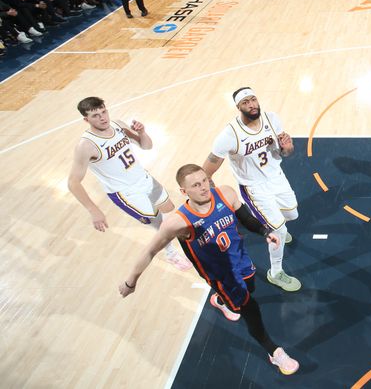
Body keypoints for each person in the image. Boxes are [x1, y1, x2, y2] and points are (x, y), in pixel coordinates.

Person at [118, 164, 299, 376]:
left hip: (240, 258)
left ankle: (220, 301)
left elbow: (245, 218)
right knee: (250, 308)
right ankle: (274, 351)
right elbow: (149, 251)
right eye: (196, 185)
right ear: (184, 192)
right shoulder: (178, 222)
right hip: (221, 276)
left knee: (251, 285)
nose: (204, 187)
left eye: (204, 180)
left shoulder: (225, 193)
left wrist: (264, 231)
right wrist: (131, 281)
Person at [67, 96, 191, 270]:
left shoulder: (118, 125)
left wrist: (142, 133)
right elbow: (73, 182)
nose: (102, 117)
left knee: (170, 211)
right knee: (159, 224)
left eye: (104, 112)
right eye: (95, 115)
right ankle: (171, 254)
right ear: (86, 120)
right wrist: (93, 210)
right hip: (126, 193)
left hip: (144, 179)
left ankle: (184, 239)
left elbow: (146, 146)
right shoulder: (86, 146)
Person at [202, 88, 301, 293]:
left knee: (292, 213)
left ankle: (274, 223)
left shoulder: (272, 119)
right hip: (254, 187)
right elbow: (213, 160)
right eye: (246, 102)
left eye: (253, 99)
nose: (252, 104)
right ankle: (276, 273)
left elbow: (285, 152)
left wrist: (288, 148)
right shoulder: (229, 135)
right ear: (238, 107)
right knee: (279, 231)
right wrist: (205, 180)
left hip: (277, 178)